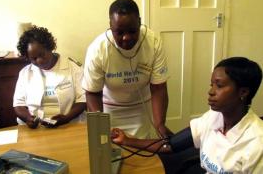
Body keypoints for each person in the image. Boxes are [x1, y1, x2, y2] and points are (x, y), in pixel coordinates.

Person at [111, 57, 263, 173]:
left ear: (243, 92)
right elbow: (171, 144)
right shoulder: (213, 117)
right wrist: (127, 140)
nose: (210, 91)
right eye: (212, 84)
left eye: (219, 85)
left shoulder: (257, 143)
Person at [82, 0, 170, 138]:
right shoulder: (98, 49)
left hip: (141, 109)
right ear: (110, 26)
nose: (126, 38)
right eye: (119, 32)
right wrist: (101, 127)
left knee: (142, 153)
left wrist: (160, 125)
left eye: (132, 31)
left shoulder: (153, 42)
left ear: (140, 22)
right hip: (109, 110)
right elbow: (93, 93)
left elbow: (159, 88)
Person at [13, 25, 86, 129]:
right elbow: (18, 104)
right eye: (34, 58)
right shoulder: (25, 73)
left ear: (50, 47)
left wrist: (66, 118)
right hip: (36, 129)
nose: (39, 61)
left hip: (68, 125)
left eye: (42, 55)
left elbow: (82, 100)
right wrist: (27, 118)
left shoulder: (73, 68)